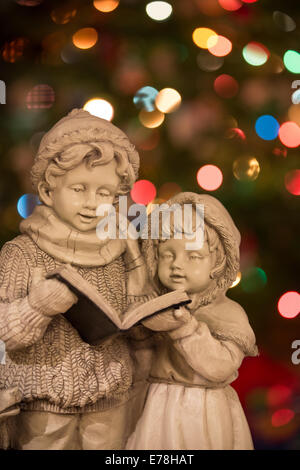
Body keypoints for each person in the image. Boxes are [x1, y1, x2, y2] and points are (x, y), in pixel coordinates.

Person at [0, 108, 151, 450]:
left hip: (110, 400)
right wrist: (36, 307)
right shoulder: (22, 253)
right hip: (42, 406)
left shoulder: (123, 248)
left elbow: (133, 322)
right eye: (79, 189)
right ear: (49, 191)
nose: (91, 204)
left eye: (104, 194)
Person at [126, 192, 258, 450]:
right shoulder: (156, 304)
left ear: (218, 263)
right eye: (167, 255)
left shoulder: (229, 313)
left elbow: (219, 367)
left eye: (193, 256)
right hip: (156, 403)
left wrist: (185, 330)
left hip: (203, 409)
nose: (177, 265)